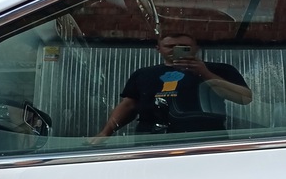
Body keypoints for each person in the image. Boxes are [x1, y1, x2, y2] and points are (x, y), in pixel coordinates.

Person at [91, 33, 251, 141]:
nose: (175, 50)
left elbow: (244, 98)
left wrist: (205, 73)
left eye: (183, 46)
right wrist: (105, 133)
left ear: (196, 48)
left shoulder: (219, 69)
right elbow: (128, 105)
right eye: (170, 46)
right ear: (158, 49)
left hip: (204, 138)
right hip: (151, 138)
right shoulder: (143, 74)